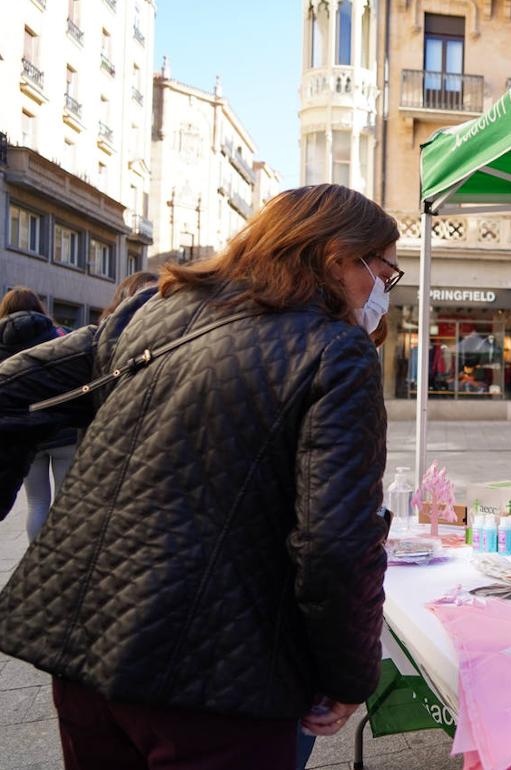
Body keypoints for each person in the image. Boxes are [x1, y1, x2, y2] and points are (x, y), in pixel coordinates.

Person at [0, 184, 399, 769]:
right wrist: (348, 677)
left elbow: (11, 386)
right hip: (215, 682)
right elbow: (336, 545)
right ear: (336, 255)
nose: (380, 293)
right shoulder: (335, 351)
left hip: (87, 653)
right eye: (382, 272)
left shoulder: (154, 312)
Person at [0, 287, 76, 542]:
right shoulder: (61, 336)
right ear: (39, 309)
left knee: (36, 502)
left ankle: (37, 558)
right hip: (63, 430)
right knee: (65, 504)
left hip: (25, 435)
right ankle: (63, 559)